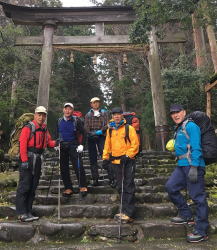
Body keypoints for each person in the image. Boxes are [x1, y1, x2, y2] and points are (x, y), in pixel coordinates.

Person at [165, 104, 209, 243]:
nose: (175, 115)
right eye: (172, 113)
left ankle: (202, 231)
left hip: (193, 165)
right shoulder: (179, 128)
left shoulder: (191, 126)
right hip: (182, 166)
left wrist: (195, 167)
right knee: (171, 187)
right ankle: (186, 215)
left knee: (198, 197)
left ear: (184, 112)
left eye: (178, 112)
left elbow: (196, 147)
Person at [16, 106, 57, 222]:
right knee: (25, 185)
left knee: (33, 186)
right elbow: (22, 144)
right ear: (35, 115)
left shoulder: (44, 128)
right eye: (39, 114)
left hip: (38, 159)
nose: (41, 117)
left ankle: (28, 211)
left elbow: (49, 143)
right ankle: (21, 213)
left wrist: (57, 142)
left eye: (43, 115)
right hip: (28, 158)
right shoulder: (28, 128)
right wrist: (24, 161)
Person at [102, 107, 139, 223]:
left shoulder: (129, 128)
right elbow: (107, 145)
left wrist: (128, 156)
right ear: (112, 116)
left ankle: (129, 213)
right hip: (115, 162)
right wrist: (105, 158)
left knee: (128, 185)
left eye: (118, 114)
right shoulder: (110, 130)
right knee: (120, 186)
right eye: (114, 114)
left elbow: (135, 144)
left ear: (122, 115)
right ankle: (124, 210)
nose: (116, 116)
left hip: (128, 161)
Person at [57, 103, 87, 197]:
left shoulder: (76, 120)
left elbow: (84, 133)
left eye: (70, 109)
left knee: (78, 166)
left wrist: (82, 145)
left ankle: (82, 186)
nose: (67, 111)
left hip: (74, 145)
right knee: (63, 168)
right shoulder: (59, 121)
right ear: (63, 110)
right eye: (66, 109)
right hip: (62, 146)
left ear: (72, 111)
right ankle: (68, 188)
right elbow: (56, 133)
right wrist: (55, 144)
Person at [84, 97, 109, 186]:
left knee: (105, 155)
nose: (95, 104)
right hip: (91, 137)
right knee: (92, 158)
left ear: (99, 103)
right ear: (91, 104)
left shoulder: (104, 113)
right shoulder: (87, 115)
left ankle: (111, 177)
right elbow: (86, 126)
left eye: (97, 102)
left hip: (101, 136)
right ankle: (95, 178)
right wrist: (91, 133)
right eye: (94, 103)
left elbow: (107, 124)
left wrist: (101, 131)